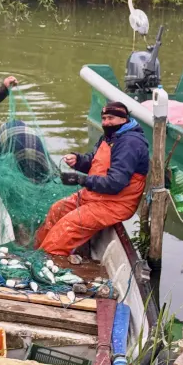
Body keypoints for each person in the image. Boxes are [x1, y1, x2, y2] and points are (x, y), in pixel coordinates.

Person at [34, 101, 149, 256]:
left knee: (67, 226)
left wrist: (81, 180)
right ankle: (37, 252)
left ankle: (48, 261)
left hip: (115, 204)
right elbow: (94, 162)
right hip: (94, 195)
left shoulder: (130, 143)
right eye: (104, 118)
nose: (106, 122)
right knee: (57, 209)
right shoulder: (109, 137)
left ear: (124, 119)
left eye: (111, 118)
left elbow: (116, 183)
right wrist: (78, 161)